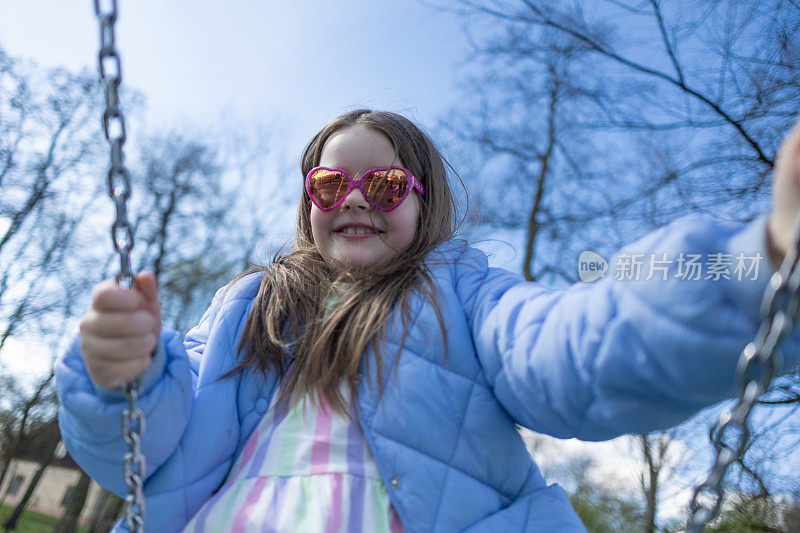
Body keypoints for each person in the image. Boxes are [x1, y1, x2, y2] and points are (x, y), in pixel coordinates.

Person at [56, 109, 800, 532]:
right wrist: (122, 375)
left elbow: (582, 342)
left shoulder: (468, 298)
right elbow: (145, 446)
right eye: (329, 181)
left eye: (382, 183)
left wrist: (758, 263)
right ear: (308, 199)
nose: (354, 197)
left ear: (423, 200)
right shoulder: (247, 308)